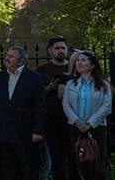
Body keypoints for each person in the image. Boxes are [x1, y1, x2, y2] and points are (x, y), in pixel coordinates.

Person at [0, 46, 44, 180]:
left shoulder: (34, 78)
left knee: (27, 170)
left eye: (11, 56)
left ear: (21, 61)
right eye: (7, 55)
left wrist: (38, 130)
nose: (7, 58)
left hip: (26, 133)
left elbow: (40, 106)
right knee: (7, 171)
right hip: (4, 133)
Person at [62, 50, 111, 180]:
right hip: (76, 128)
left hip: (97, 128)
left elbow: (107, 106)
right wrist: (77, 121)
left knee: (97, 162)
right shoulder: (70, 84)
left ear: (92, 65)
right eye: (78, 60)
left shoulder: (103, 84)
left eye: (83, 60)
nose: (79, 63)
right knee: (76, 162)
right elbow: (66, 105)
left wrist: (90, 123)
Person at [36, 35, 71, 180]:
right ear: (50, 51)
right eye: (57, 48)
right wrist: (49, 88)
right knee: (56, 158)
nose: (61, 51)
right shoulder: (42, 70)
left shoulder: (74, 67)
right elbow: (35, 95)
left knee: (74, 156)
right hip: (51, 119)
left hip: (74, 119)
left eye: (63, 48)